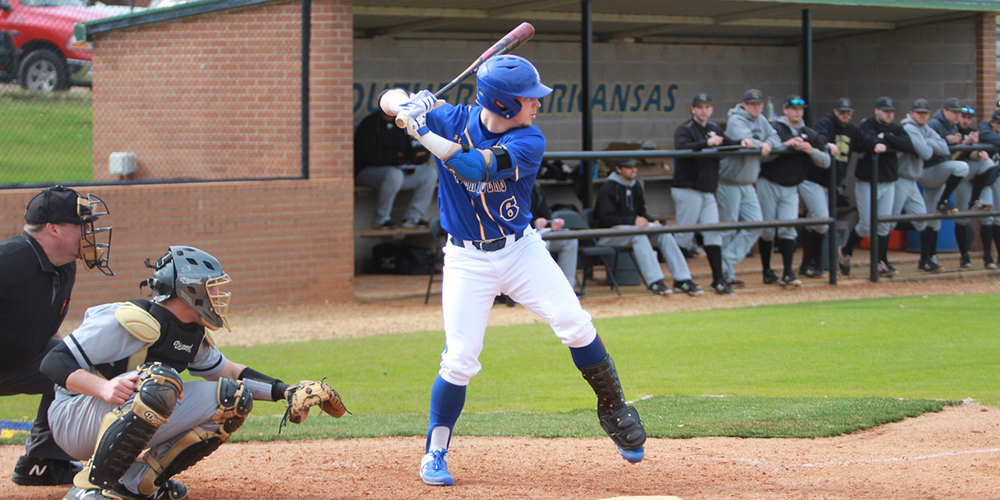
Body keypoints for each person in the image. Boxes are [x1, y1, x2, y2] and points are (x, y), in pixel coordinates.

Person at [380, 54, 647, 487]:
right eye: (529, 99)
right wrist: (408, 107)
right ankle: (435, 452)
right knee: (460, 359)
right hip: (467, 259)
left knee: (575, 324)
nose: (537, 104)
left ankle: (615, 409)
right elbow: (387, 98)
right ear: (503, 104)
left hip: (520, 251)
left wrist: (422, 130)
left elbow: (472, 165)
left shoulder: (530, 139)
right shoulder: (450, 116)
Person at [41, 246, 340, 500]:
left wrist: (285, 391)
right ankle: (90, 488)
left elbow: (230, 372)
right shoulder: (130, 319)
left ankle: (137, 483)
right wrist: (103, 388)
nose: (218, 296)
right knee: (160, 383)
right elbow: (54, 362)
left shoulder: (190, 332)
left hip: (116, 411)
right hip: (73, 416)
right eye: (212, 288)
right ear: (189, 289)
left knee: (233, 399)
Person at [1, 185, 113, 487]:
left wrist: (69, 361)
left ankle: (43, 461)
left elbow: (48, 327)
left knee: (76, 364)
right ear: (52, 228)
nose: (90, 231)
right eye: (82, 225)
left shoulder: (64, 267)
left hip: (16, 363)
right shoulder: (9, 260)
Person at [592, 159, 704, 296]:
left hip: (631, 231)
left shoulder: (636, 186)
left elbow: (641, 213)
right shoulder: (609, 187)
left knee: (664, 233)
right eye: (629, 167)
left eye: (635, 166)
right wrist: (633, 221)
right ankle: (654, 281)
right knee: (638, 234)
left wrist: (652, 221)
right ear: (619, 169)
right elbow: (605, 219)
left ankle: (682, 279)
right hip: (608, 234)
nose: (634, 170)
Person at [672, 92, 740, 294]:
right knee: (684, 236)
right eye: (700, 107)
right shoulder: (685, 129)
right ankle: (680, 279)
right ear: (693, 109)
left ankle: (718, 279)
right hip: (688, 189)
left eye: (707, 107)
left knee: (713, 233)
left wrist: (744, 142)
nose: (703, 110)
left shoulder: (714, 129)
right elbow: (682, 147)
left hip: (708, 190)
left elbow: (728, 143)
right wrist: (705, 144)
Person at [759, 95, 831, 286]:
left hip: (792, 186)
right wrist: (784, 146)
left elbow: (826, 161)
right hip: (770, 182)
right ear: (785, 110)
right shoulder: (776, 128)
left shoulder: (809, 133)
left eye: (800, 109)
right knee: (767, 229)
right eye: (793, 109)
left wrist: (811, 151)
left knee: (788, 229)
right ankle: (766, 270)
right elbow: (762, 157)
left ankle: (788, 272)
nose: (797, 112)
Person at [813, 97, 886, 276]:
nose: (845, 116)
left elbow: (865, 141)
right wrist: (826, 144)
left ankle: (816, 264)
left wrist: (876, 144)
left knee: (820, 223)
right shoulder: (826, 123)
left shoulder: (851, 130)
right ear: (835, 112)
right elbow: (819, 137)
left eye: (848, 113)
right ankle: (814, 264)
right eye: (841, 112)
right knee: (819, 222)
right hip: (816, 179)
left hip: (833, 183)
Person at [717, 88, 781, 287]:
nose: (756, 107)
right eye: (752, 104)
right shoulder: (736, 119)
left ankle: (725, 262)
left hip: (747, 183)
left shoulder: (761, 119)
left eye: (759, 104)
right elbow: (748, 142)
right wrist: (763, 144)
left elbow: (775, 138)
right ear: (744, 105)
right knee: (728, 228)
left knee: (756, 223)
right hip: (729, 182)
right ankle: (725, 274)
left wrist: (767, 144)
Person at [896, 98, 968, 272]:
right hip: (903, 176)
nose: (922, 116)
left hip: (918, 176)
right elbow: (927, 153)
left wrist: (928, 141)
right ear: (912, 113)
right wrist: (931, 143)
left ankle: (927, 259)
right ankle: (877, 260)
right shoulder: (915, 126)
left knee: (928, 219)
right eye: (918, 113)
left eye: (924, 113)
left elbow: (943, 147)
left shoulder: (927, 127)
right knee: (882, 221)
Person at [843, 96, 912, 277]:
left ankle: (881, 261)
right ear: (877, 111)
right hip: (868, 180)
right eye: (885, 111)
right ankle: (846, 250)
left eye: (891, 111)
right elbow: (869, 139)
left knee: (883, 224)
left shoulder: (895, 128)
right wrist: (883, 140)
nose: (888, 114)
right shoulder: (868, 124)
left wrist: (886, 137)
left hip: (888, 180)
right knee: (866, 224)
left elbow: (907, 144)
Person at [927, 98, 990, 269]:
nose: (962, 119)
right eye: (958, 114)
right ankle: (930, 257)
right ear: (945, 111)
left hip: (951, 174)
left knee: (934, 219)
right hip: (935, 172)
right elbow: (940, 151)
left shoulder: (957, 128)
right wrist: (959, 143)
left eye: (967, 117)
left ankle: (930, 259)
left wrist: (974, 150)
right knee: (927, 217)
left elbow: (962, 156)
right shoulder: (937, 124)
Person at [354, 108, 438, 229]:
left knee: (429, 173)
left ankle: (413, 217)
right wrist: (393, 159)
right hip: (367, 172)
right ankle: (381, 219)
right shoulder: (370, 123)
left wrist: (414, 160)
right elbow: (366, 156)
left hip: (397, 172)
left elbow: (408, 151)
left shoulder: (399, 124)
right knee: (394, 174)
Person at [530, 184, 579, 291]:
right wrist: (533, 224)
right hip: (520, 238)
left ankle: (567, 289)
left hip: (540, 234)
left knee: (570, 240)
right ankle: (542, 289)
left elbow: (546, 216)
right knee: (542, 242)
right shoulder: (510, 187)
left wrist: (552, 223)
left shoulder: (536, 189)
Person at [973, 108, 1000, 269]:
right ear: (993, 123)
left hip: (996, 179)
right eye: (998, 123)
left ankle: (995, 257)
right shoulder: (985, 130)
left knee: (997, 217)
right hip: (983, 182)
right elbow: (986, 135)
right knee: (987, 217)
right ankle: (987, 256)